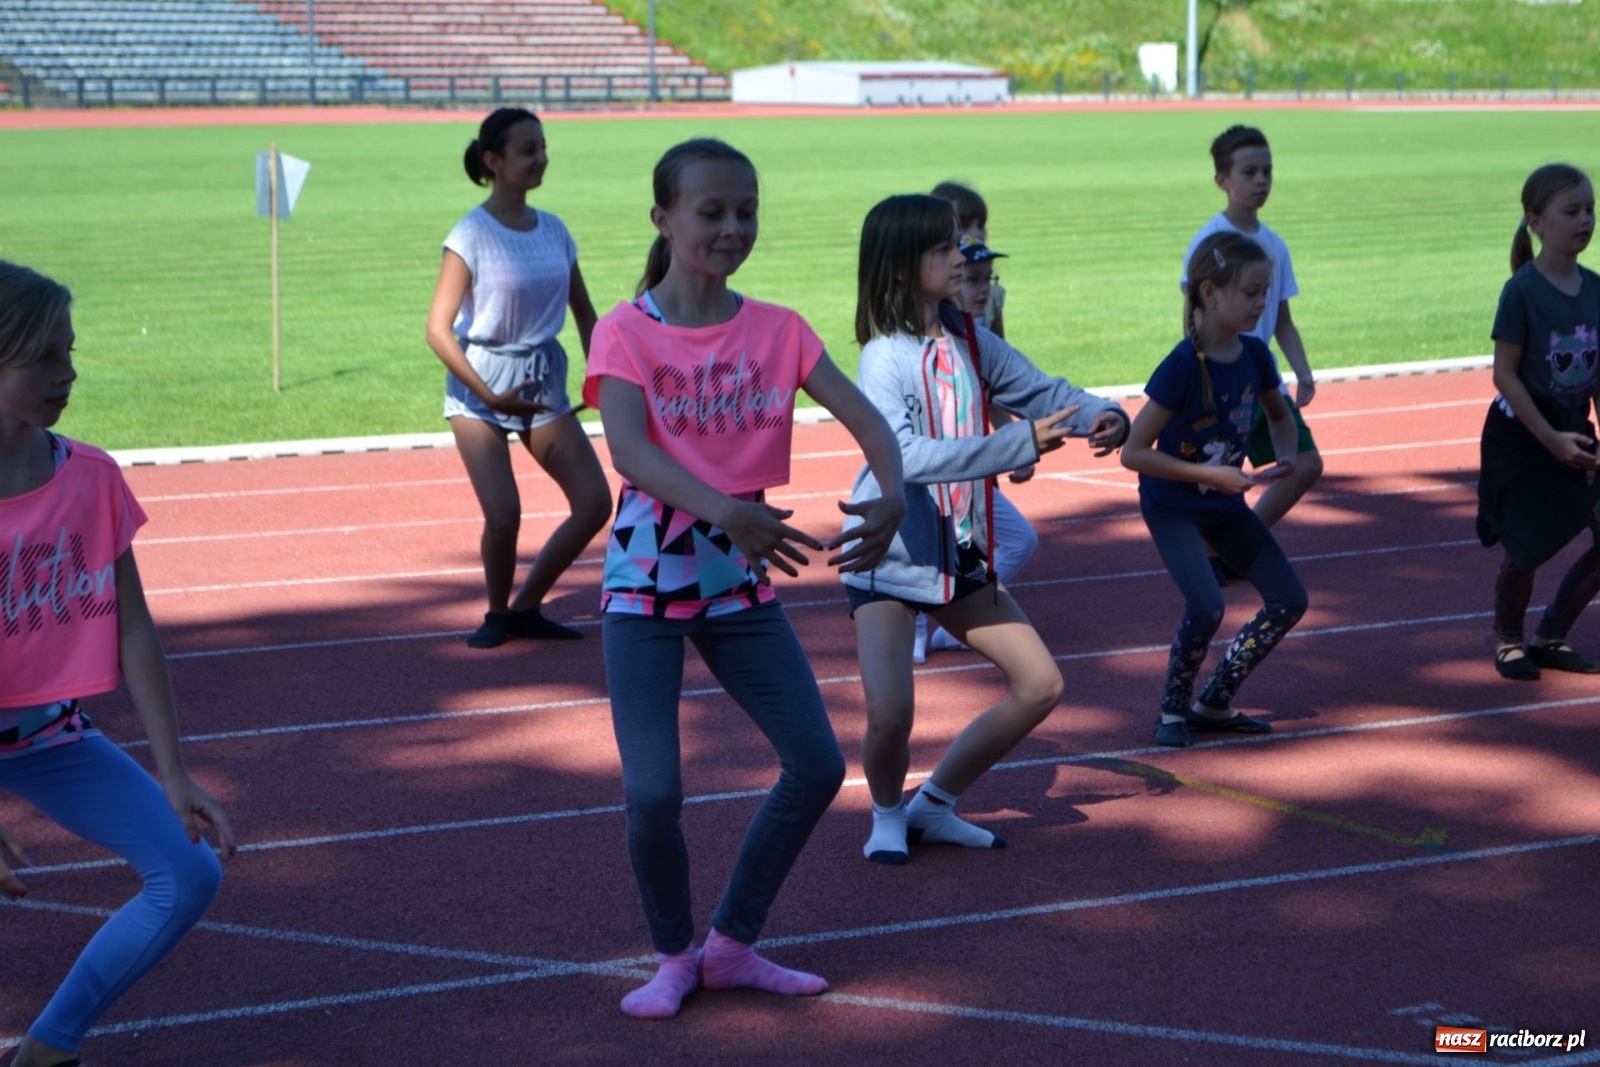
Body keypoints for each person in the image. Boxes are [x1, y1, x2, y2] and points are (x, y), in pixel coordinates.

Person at [584, 139, 905, 1019]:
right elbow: (632, 453)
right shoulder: (624, 331)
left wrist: (894, 489)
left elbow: (869, 419)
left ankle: (730, 945)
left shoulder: (780, 329)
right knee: (653, 794)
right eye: (712, 212)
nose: (733, 228)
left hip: (740, 586)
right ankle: (671, 954)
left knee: (813, 762)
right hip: (645, 587)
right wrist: (728, 509)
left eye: (746, 212)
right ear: (664, 219)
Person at [0, 261, 238, 1067]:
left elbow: (133, 625)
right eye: (45, 358)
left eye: (71, 353)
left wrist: (174, 771)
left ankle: (48, 1048)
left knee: (187, 870)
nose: (68, 375)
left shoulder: (90, 476)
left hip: (44, 734)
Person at [844, 194, 1129, 865]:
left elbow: (1042, 390)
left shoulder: (970, 338)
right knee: (891, 714)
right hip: (892, 552)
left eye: (961, 246)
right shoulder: (883, 354)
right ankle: (887, 813)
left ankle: (933, 805)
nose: (961, 258)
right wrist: (1018, 444)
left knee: (1040, 684)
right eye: (944, 248)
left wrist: (1103, 413)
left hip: (962, 546)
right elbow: (906, 456)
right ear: (899, 267)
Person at [425, 107, 611, 649]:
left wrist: (603, 376)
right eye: (528, 150)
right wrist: (487, 395)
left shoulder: (554, 229)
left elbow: (585, 312)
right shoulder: (470, 233)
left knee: (595, 502)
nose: (541, 158)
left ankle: (528, 606)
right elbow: (438, 331)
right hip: (479, 387)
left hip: (540, 382)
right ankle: (497, 613)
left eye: (543, 147)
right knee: (504, 517)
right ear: (493, 162)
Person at [1121, 232, 1310, 748]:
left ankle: (1215, 700)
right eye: (1250, 292)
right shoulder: (1183, 365)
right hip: (1173, 504)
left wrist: (1286, 457)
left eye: (1265, 292)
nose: (1261, 303)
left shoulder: (1254, 355)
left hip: (1224, 503)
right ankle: (1173, 709)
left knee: (1289, 599)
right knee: (1206, 605)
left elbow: (1279, 415)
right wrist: (1212, 475)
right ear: (1209, 293)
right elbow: (1133, 452)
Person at [1180, 126, 1323, 578]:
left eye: (1267, 171)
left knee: (1303, 464)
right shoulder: (1211, 243)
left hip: (1262, 375)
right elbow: (1191, 314)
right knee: (1217, 479)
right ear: (1223, 179)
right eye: (1249, 172)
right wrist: (1198, 370)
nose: (1261, 180)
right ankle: (1211, 556)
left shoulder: (1275, 245)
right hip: (1220, 374)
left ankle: (1241, 543)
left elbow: (1281, 319)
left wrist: (1302, 371)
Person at [1476, 163, 1600, 680]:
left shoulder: (1595, 287)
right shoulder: (1522, 291)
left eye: (1590, 209)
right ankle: (1509, 640)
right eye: (1571, 211)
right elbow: (1504, 376)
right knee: (1524, 546)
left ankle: (1551, 635)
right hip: (1524, 435)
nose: (1585, 220)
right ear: (1535, 221)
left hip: (1574, 424)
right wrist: (1548, 439)